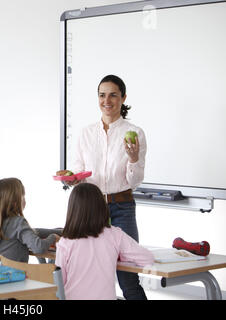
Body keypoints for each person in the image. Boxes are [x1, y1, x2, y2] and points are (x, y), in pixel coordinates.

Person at [60, 74, 148, 299]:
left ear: (123, 98)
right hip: (91, 208)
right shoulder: (86, 133)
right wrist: (72, 178)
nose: (106, 100)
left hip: (122, 206)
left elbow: (135, 182)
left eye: (113, 95)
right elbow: (79, 170)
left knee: (128, 276)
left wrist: (134, 158)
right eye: (102, 95)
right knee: (85, 272)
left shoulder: (135, 132)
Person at [55, 183, 153, 300]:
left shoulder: (66, 242)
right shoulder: (115, 234)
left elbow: (58, 284)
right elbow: (148, 258)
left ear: (72, 210)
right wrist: (120, 255)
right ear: (102, 206)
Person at [0, 177, 61, 264]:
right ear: (14, 201)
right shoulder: (18, 222)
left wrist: (61, 231)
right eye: (23, 195)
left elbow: (31, 232)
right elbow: (39, 248)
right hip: (17, 275)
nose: (24, 199)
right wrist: (53, 237)